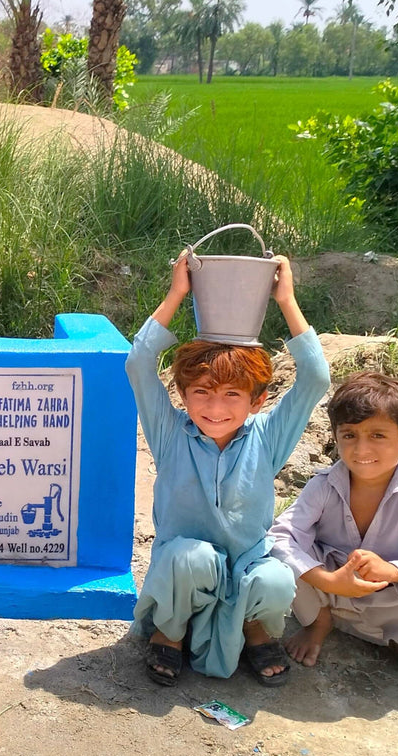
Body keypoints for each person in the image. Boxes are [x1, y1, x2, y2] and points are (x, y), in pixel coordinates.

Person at [126, 253, 330, 686]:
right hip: (184, 573)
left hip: (245, 569)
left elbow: (314, 377)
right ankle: (169, 631)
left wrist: (286, 300)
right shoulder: (170, 433)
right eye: (201, 391)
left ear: (256, 400)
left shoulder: (268, 436)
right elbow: (139, 363)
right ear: (181, 393)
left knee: (275, 577)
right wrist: (178, 292)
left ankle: (256, 631)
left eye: (232, 395)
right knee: (191, 555)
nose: (214, 408)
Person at [269, 372, 398, 674]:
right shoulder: (323, 486)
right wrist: (327, 581)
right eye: (349, 435)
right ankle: (320, 624)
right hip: (327, 595)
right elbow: (281, 536)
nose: (361, 450)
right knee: (278, 560)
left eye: (378, 435)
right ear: (336, 437)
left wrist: (393, 571)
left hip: (391, 599)